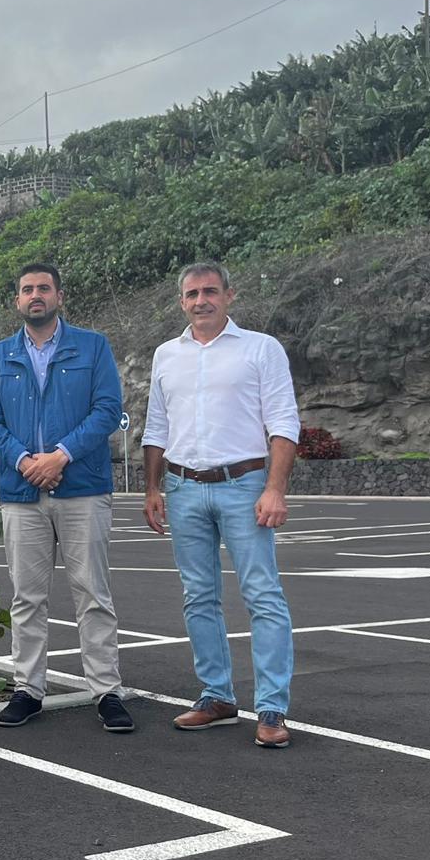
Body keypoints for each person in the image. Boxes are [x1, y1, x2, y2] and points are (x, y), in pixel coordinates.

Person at [142, 262, 301, 749]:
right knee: (198, 597)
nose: (201, 300)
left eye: (210, 291)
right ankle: (217, 697)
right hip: (184, 487)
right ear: (181, 302)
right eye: (192, 294)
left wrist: (274, 489)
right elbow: (155, 428)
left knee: (262, 595)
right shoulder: (166, 354)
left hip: (245, 484)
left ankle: (272, 708)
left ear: (230, 296)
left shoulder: (261, 348)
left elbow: (283, 422)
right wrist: (152, 489)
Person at [0, 263, 133, 732]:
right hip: (22, 492)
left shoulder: (92, 346)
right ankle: (28, 689)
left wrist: (60, 456)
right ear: (17, 302)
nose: (35, 295)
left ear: (59, 296)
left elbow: (108, 410)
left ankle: (106, 690)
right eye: (27, 290)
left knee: (93, 594)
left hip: (82, 488)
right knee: (27, 598)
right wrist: (26, 461)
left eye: (43, 288)